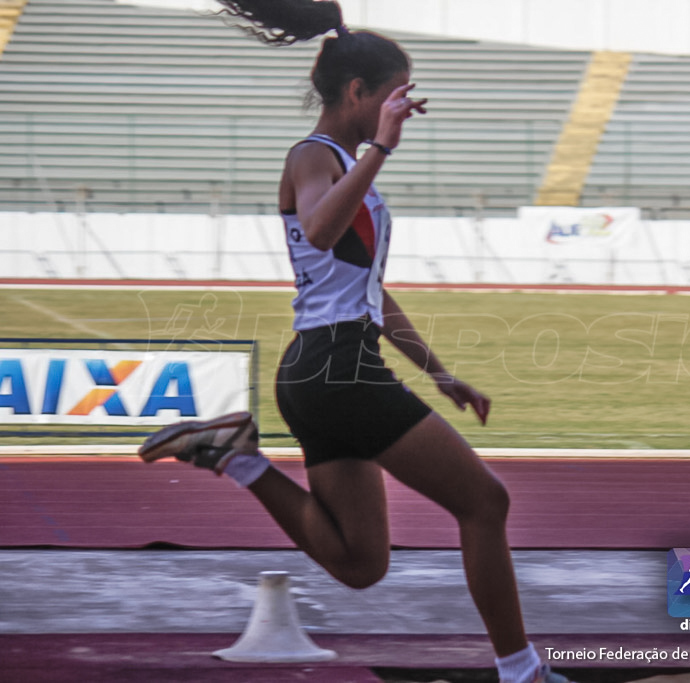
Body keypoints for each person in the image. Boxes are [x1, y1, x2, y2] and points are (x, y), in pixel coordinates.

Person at [137, 2, 572, 682]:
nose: (403, 105)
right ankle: (522, 671)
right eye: (395, 93)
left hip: (324, 370)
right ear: (357, 93)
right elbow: (315, 229)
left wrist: (441, 372)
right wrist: (382, 149)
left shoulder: (346, 161)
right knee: (486, 503)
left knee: (361, 562)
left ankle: (238, 457)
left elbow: (370, 289)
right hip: (337, 369)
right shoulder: (316, 156)